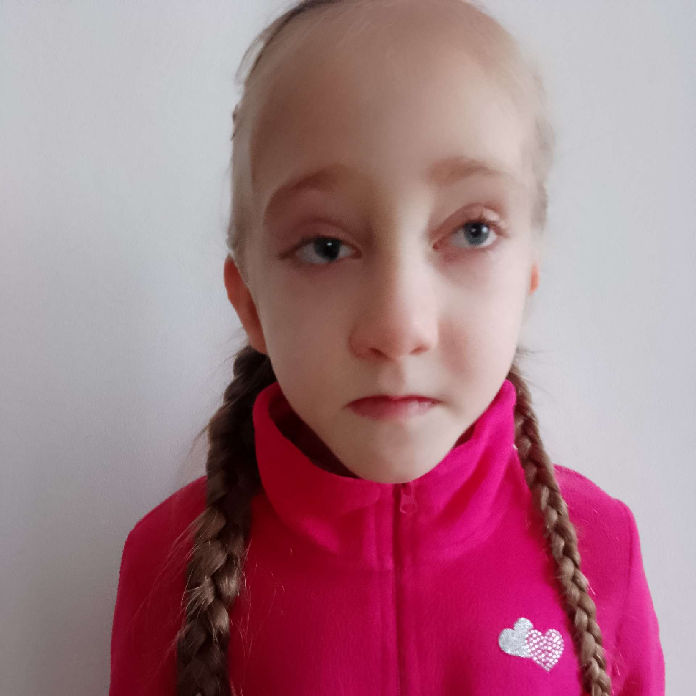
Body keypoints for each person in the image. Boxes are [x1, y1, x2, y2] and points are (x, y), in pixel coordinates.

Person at [108, 1, 665, 695]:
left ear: (528, 278)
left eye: (472, 231)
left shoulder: (605, 546)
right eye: (326, 246)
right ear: (250, 303)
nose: (399, 327)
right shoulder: (167, 567)